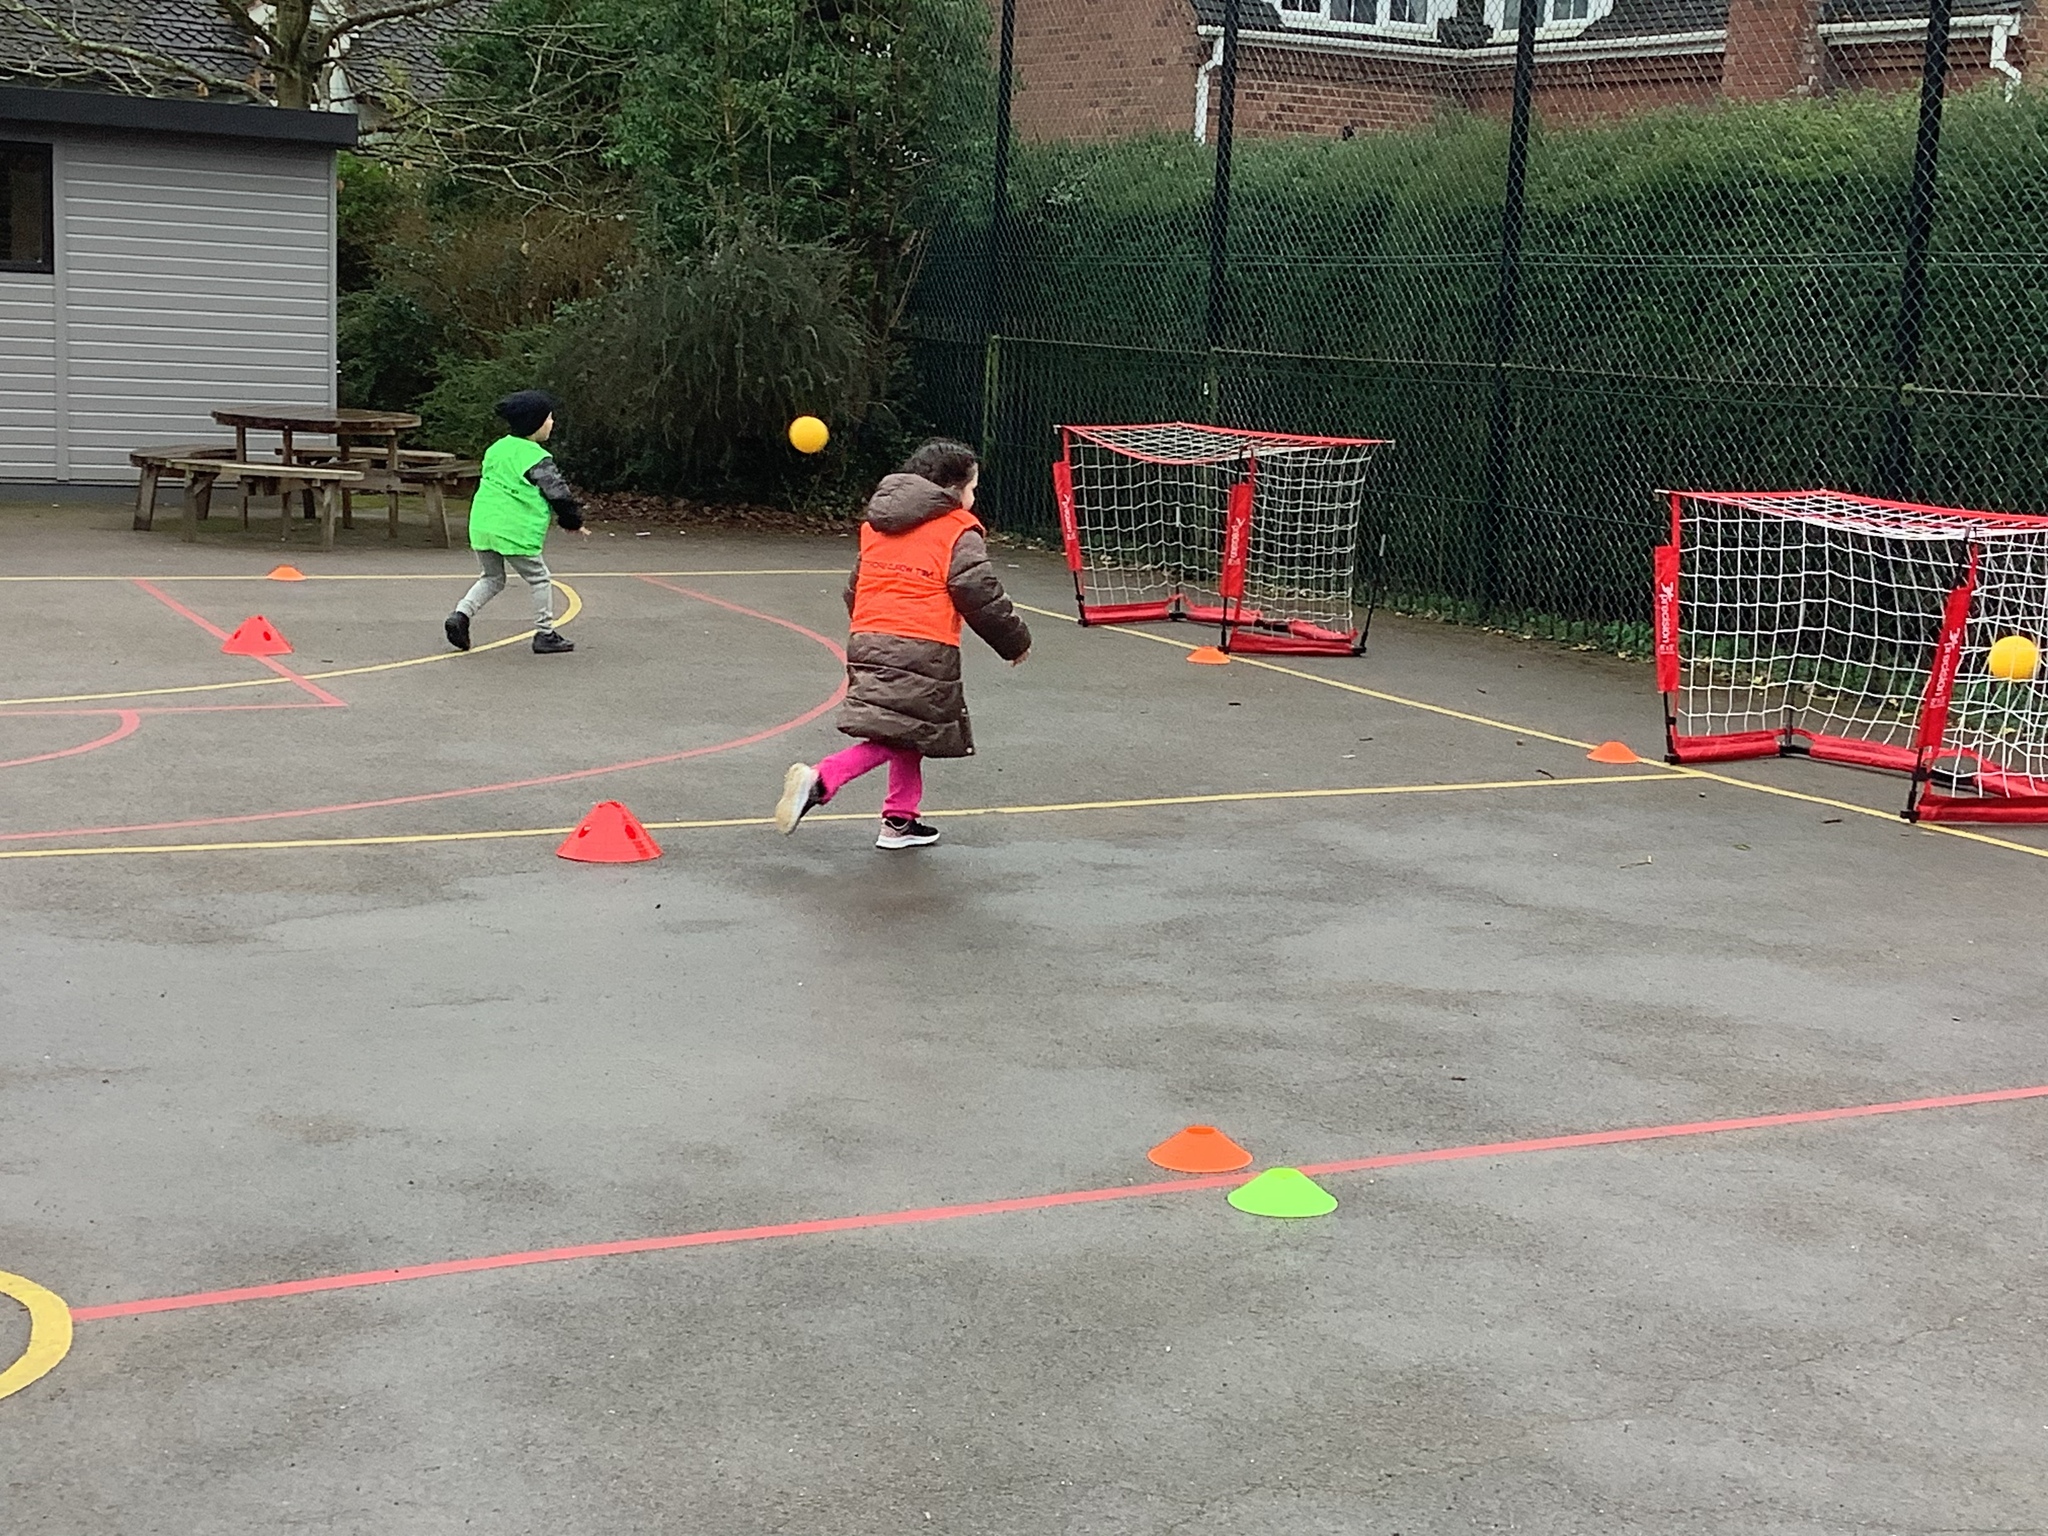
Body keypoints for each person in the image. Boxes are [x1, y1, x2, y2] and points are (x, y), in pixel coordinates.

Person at [775, 439, 1030, 850]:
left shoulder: (878, 527)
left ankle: (900, 821)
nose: (973, 496)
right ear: (952, 489)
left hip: (869, 638)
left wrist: (874, 628)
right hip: (923, 645)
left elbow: (855, 589)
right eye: (972, 488)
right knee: (904, 730)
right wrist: (1014, 642)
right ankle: (822, 779)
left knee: (909, 730)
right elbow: (979, 592)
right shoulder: (957, 530)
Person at [445, 390, 589, 655]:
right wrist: (572, 521)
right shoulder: (536, 457)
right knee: (540, 578)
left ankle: (460, 615)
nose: (552, 422)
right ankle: (545, 633)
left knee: (492, 578)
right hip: (515, 529)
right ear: (536, 423)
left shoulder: (496, 449)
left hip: (483, 525)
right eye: (549, 418)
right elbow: (557, 493)